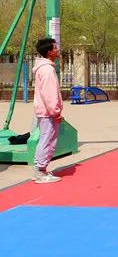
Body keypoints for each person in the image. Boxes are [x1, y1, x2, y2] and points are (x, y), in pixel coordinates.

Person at [31, 38, 63, 183]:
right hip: (48, 112)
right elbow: (49, 94)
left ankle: (40, 169)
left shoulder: (44, 68)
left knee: (45, 139)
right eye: (55, 48)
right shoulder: (47, 70)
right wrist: (55, 112)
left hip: (45, 111)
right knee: (47, 140)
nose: (57, 50)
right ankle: (41, 171)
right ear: (49, 52)